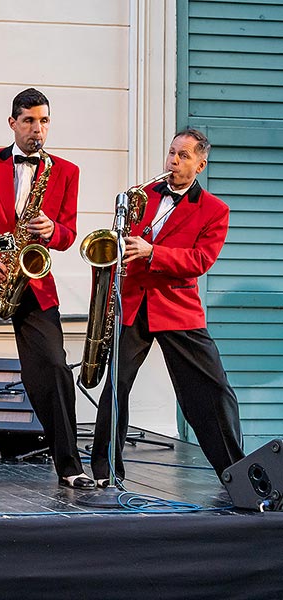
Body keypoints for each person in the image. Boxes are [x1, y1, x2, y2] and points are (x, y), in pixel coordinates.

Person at [0, 88, 94, 489]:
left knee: (54, 368)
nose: (36, 130)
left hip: (34, 279)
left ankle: (70, 465)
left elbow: (68, 234)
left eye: (43, 121)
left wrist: (52, 229)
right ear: (12, 123)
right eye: (28, 121)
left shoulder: (67, 171)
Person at [90, 128, 244, 486]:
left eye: (183, 156)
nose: (173, 161)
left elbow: (200, 260)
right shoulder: (139, 196)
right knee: (116, 387)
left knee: (213, 389)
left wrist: (152, 252)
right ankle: (106, 472)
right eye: (171, 153)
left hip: (176, 308)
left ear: (200, 165)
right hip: (134, 303)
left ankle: (234, 471)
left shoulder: (215, 210)